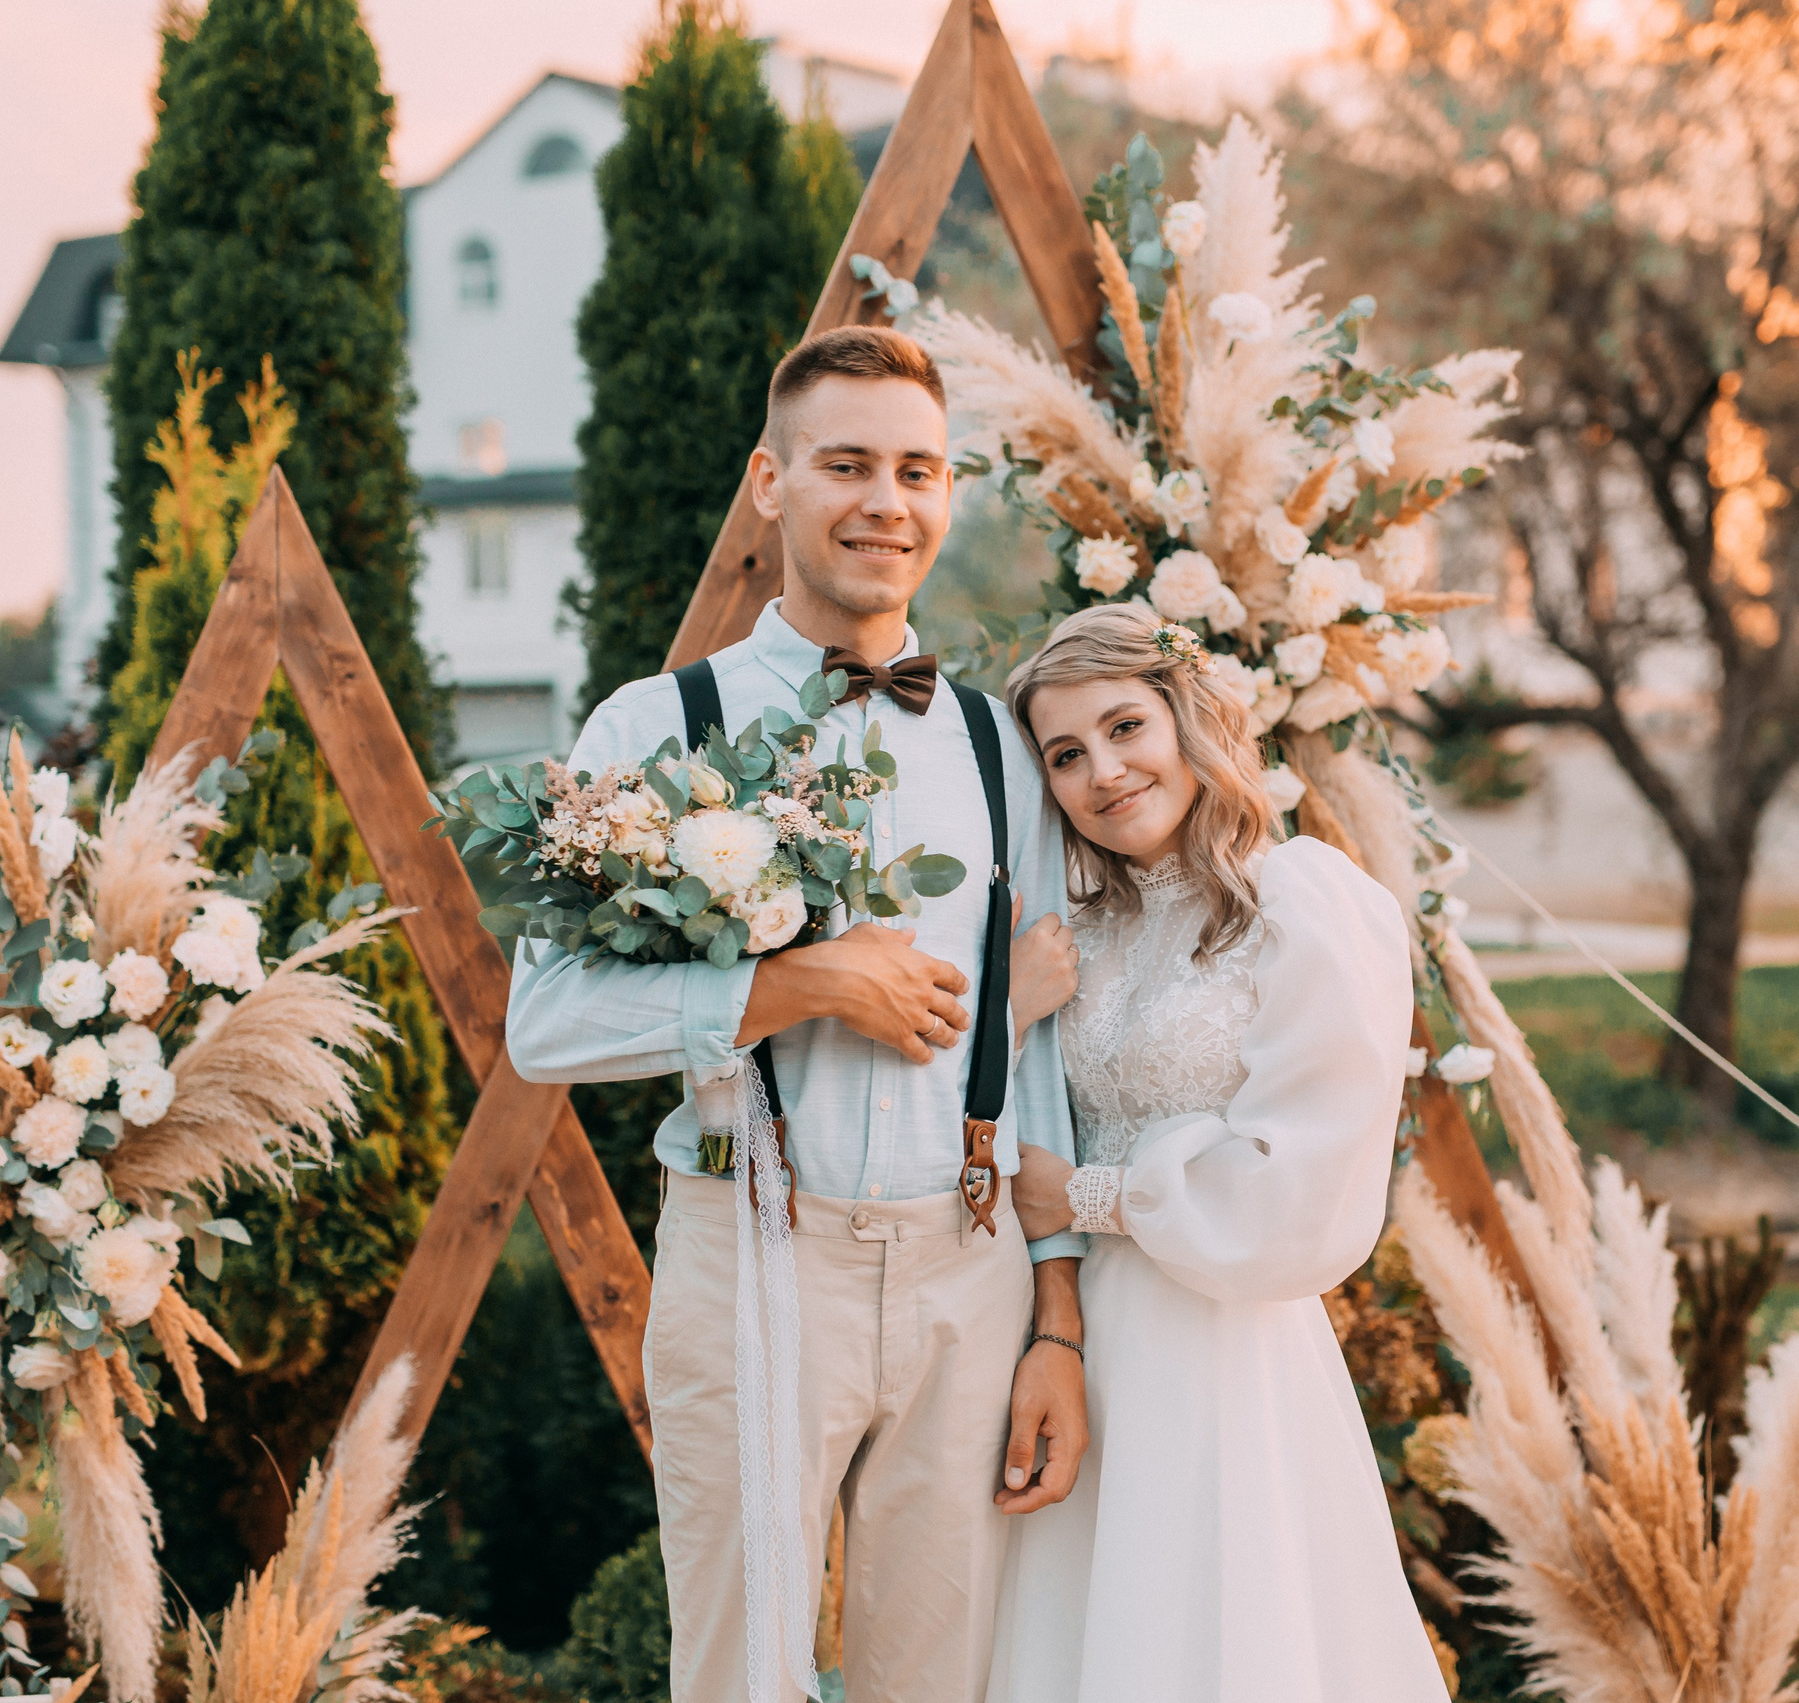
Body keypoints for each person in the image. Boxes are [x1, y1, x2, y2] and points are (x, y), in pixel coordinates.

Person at [507, 325, 1090, 1703]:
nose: (886, 500)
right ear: (771, 483)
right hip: (754, 1252)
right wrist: (799, 983)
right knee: (740, 1675)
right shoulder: (654, 728)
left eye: (917, 469)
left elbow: (1039, 1043)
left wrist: (1057, 1315)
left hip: (973, 1262)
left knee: (943, 1681)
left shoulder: (1003, 743)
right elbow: (549, 1024)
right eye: (846, 464)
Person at [984, 604, 1448, 1703]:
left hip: (1222, 1341)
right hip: (1069, 1335)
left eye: (1124, 726)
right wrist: (1004, 1013)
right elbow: (1000, 1121)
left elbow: (1302, 1188)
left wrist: (1091, 1192)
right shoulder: (1074, 931)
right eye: (1065, 754)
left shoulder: (1306, 903)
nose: (1103, 770)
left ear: (1186, 718)